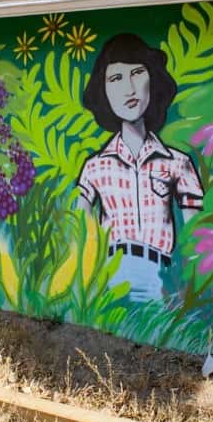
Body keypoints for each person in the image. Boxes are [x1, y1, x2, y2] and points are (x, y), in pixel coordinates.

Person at [77, 33, 203, 302]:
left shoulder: (178, 163)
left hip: (161, 277)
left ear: (152, 80)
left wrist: (187, 282)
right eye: (116, 79)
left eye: (137, 73)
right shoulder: (94, 167)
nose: (129, 89)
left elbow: (196, 236)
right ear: (104, 91)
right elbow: (80, 235)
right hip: (110, 275)